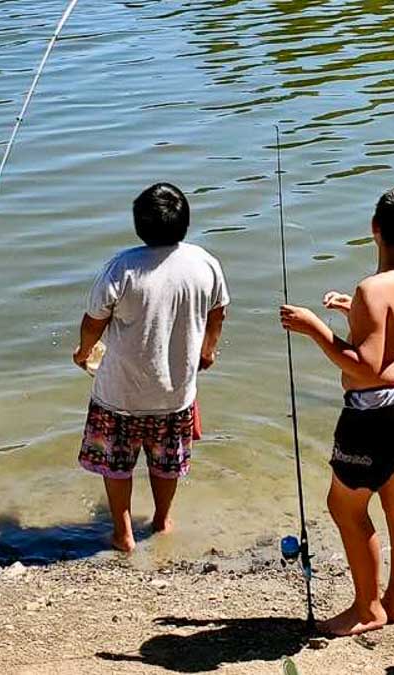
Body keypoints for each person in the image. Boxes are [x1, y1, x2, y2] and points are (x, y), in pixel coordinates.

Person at [280, 185, 394, 636]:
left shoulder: (372, 288)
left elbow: (367, 368)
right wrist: (358, 315)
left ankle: (368, 609)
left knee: (345, 507)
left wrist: (314, 328)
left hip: (375, 414)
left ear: (375, 228)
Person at [73, 182, 229, 553]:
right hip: (175, 393)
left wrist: (84, 351)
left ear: (139, 226)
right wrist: (208, 349)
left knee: (117, 464)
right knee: (166, 462)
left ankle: (123, 533)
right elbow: (219, 310)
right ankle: (162, 520)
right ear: (185, 223)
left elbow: (94, 320)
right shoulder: (204, 263)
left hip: (119, 394)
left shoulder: (122, 267)